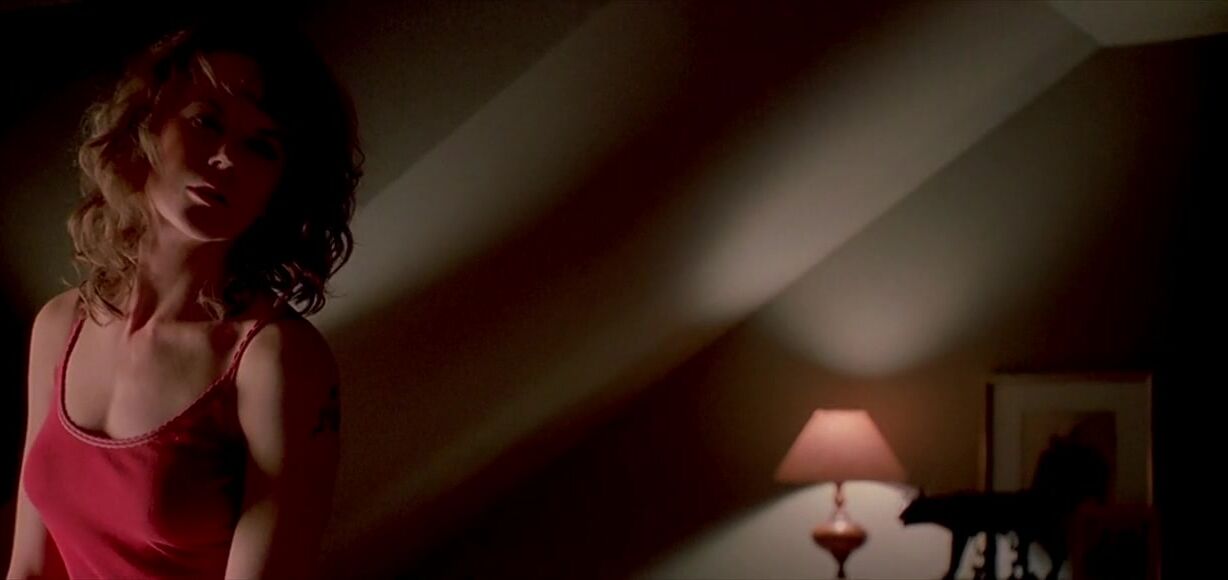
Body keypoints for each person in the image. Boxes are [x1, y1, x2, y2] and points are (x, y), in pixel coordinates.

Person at [6, 18, 361, 579]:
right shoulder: (60, 325)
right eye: (206, 121)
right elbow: (28, 568)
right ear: (145, 125)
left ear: (283, 184)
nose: (226, 158)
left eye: (260, 146)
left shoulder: (275, 359)